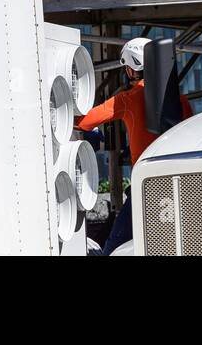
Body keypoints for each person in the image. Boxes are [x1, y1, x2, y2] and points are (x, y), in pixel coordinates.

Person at [76, 37, 193, 255]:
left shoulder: (127, 99)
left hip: (144, 187)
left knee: (114, 248)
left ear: (131, 70)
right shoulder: (181, 99)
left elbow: (84, 120)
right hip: (178, 185)